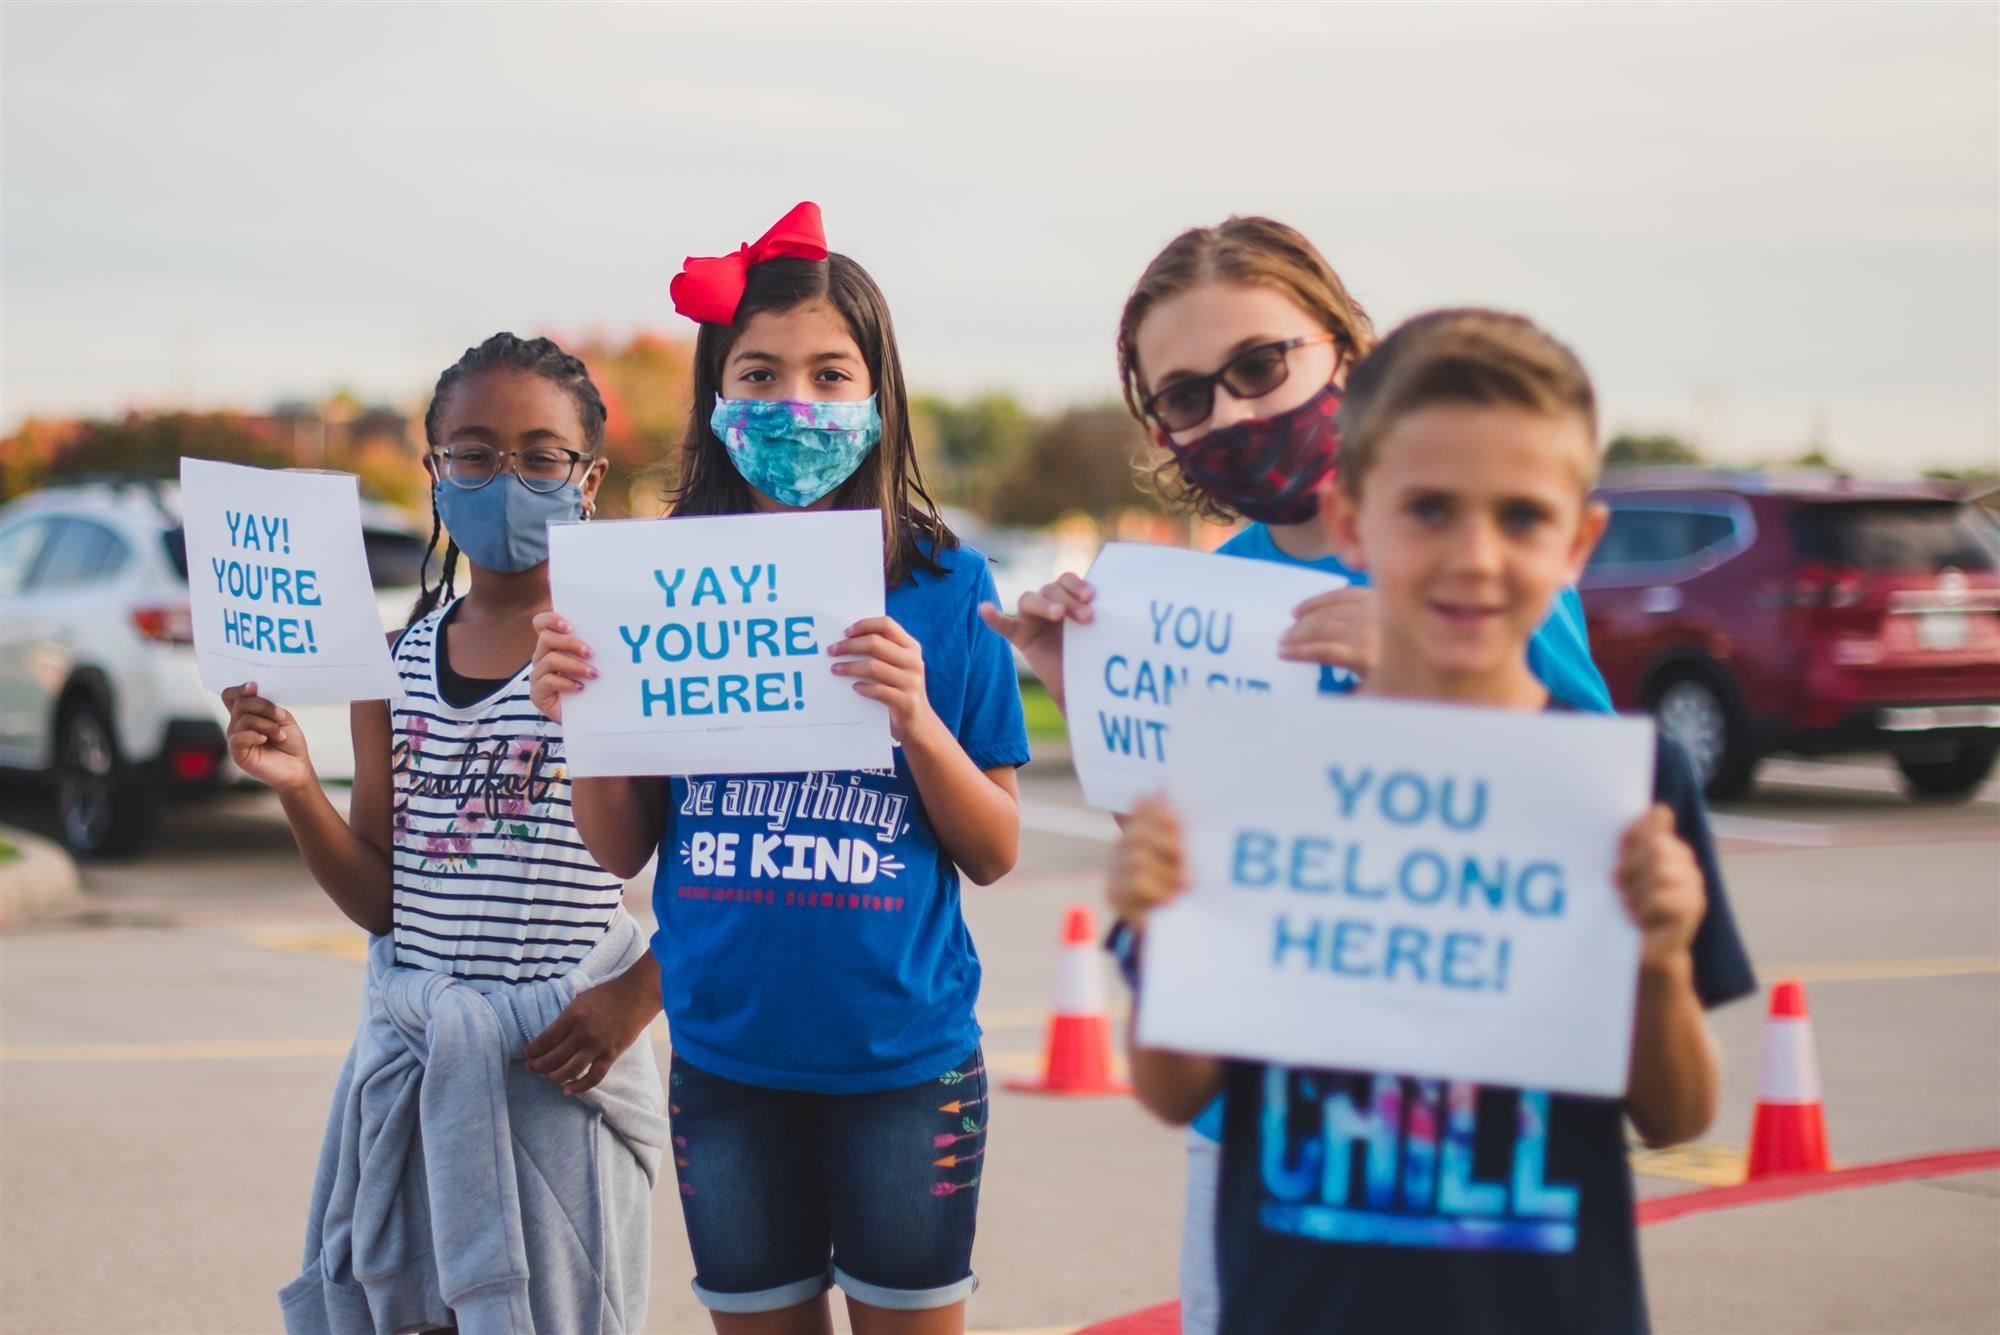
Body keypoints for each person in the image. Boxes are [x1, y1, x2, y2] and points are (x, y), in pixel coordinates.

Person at [980, 216, 1614, 1335]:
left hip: (1463, 1123)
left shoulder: (1467, 560)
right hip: (1258, 1128)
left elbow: (1604, 815)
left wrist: (1426, 662)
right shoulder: (1207, 595)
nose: (1228, 412)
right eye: (1184, 397)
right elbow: (1182, 843)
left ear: (1346, 354)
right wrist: (1081, 684)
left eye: (1258, 366)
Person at [1107, 309, 1756, 1335]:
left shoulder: (1625, 787)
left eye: (1520, 517)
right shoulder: (1247, 770)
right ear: (1355, 523)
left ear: (1577, 541)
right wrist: (1163, 925)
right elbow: (1176, 1087)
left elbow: (1674, 1117)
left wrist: (1658, 964)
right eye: (1428, 511)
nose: (1473, 556)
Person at [529, 203, 1028, 1335]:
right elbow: (618, 849)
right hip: (725, 1061)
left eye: (827, 373)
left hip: (904, 1064)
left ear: (877, 394)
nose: (791, 403)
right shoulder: (654, 587)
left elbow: (995, 852)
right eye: (755, 374)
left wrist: (914, 719)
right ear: (715, 398)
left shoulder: (948, 587)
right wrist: (581, 717)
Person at [228, 333, 668, 1333]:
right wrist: (299, 787)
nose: (504, 476)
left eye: (539, 454)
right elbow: (382, 900)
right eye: (472, 453)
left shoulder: (627, 651)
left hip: (565, 1069)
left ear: (588, 477)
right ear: (434, 474)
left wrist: (633, 1001)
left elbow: (692, 865)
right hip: (422, 1074)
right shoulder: (393, 664)